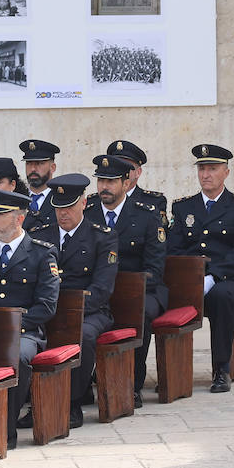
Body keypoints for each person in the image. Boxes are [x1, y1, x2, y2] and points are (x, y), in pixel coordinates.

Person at [26, 173, 117, 428]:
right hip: (48, 309)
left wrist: (68, 311)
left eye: (68, 207)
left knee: (84, 335)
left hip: (89, 311)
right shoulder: (41, 235)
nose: (62, 213)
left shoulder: (103, 237)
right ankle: (34, 402)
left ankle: (73, 402)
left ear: (84, 203)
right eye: (58, 207)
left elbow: (102, 287)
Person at [0, 188, 59, 448]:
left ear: (19, 219)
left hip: (25, 332)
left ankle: (5, 429)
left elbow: (46, 306)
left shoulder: (42, 253)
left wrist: (12, 328)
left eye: (0, 215)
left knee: (19, 358)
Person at [167, 144, 234, 393]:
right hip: (191, 277)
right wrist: (195, 276)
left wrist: (213, 276)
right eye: (202, 169)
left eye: (213, 169)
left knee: (221, 297)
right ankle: (171, 374)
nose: (206, 174)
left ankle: (221, 369)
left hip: (229, 277)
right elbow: (174, 248)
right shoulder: (183, 207)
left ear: (226, 172)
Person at [84, 153, 165, 407]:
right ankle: (83, 383)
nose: (104, 188)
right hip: (98, 291)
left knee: (139, 312)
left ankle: (133, 384)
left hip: (141, 291)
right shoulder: (87, 213)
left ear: (126, 183)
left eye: (110, 182)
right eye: (100, 181)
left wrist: (121, 289)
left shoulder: (147, 215)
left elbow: (154, 267)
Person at [20, 139, 60, 231]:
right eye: (29, 163)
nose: (33, 169)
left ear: (52, 168)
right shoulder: (17, 199)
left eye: (39, 163)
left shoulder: (60, 199)